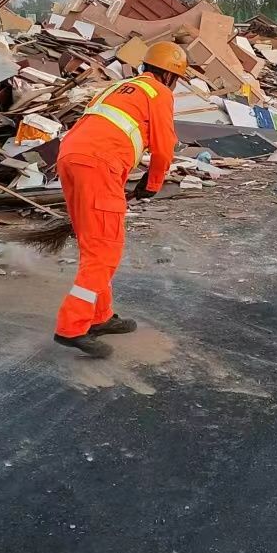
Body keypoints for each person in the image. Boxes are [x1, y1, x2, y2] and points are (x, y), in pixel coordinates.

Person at [51, 41, 186, 358]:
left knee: (94, 242)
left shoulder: (123, 86)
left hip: (72, 157)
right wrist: (152, 185)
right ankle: (71, 327)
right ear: (170, 75)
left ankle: (100, 316)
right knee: (105, 249)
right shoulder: (159, 93)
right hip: (98, 165)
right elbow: (164, 147)